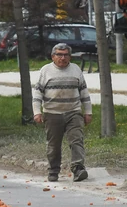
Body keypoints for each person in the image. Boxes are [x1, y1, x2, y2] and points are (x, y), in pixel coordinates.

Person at [32, 43, 92, 182]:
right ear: (53, 56)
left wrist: (88, 112)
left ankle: (78, 169)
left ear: (70, 56)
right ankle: (53, 171)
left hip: (73, 112)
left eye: (66, 55)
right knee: (53, 145)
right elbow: (37, 93)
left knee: (77, 140)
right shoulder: (45, 71)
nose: (63, 58)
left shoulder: (76, 69)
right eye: (59, 55)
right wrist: (37, 112)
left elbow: (84, 92)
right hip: (52, 113)